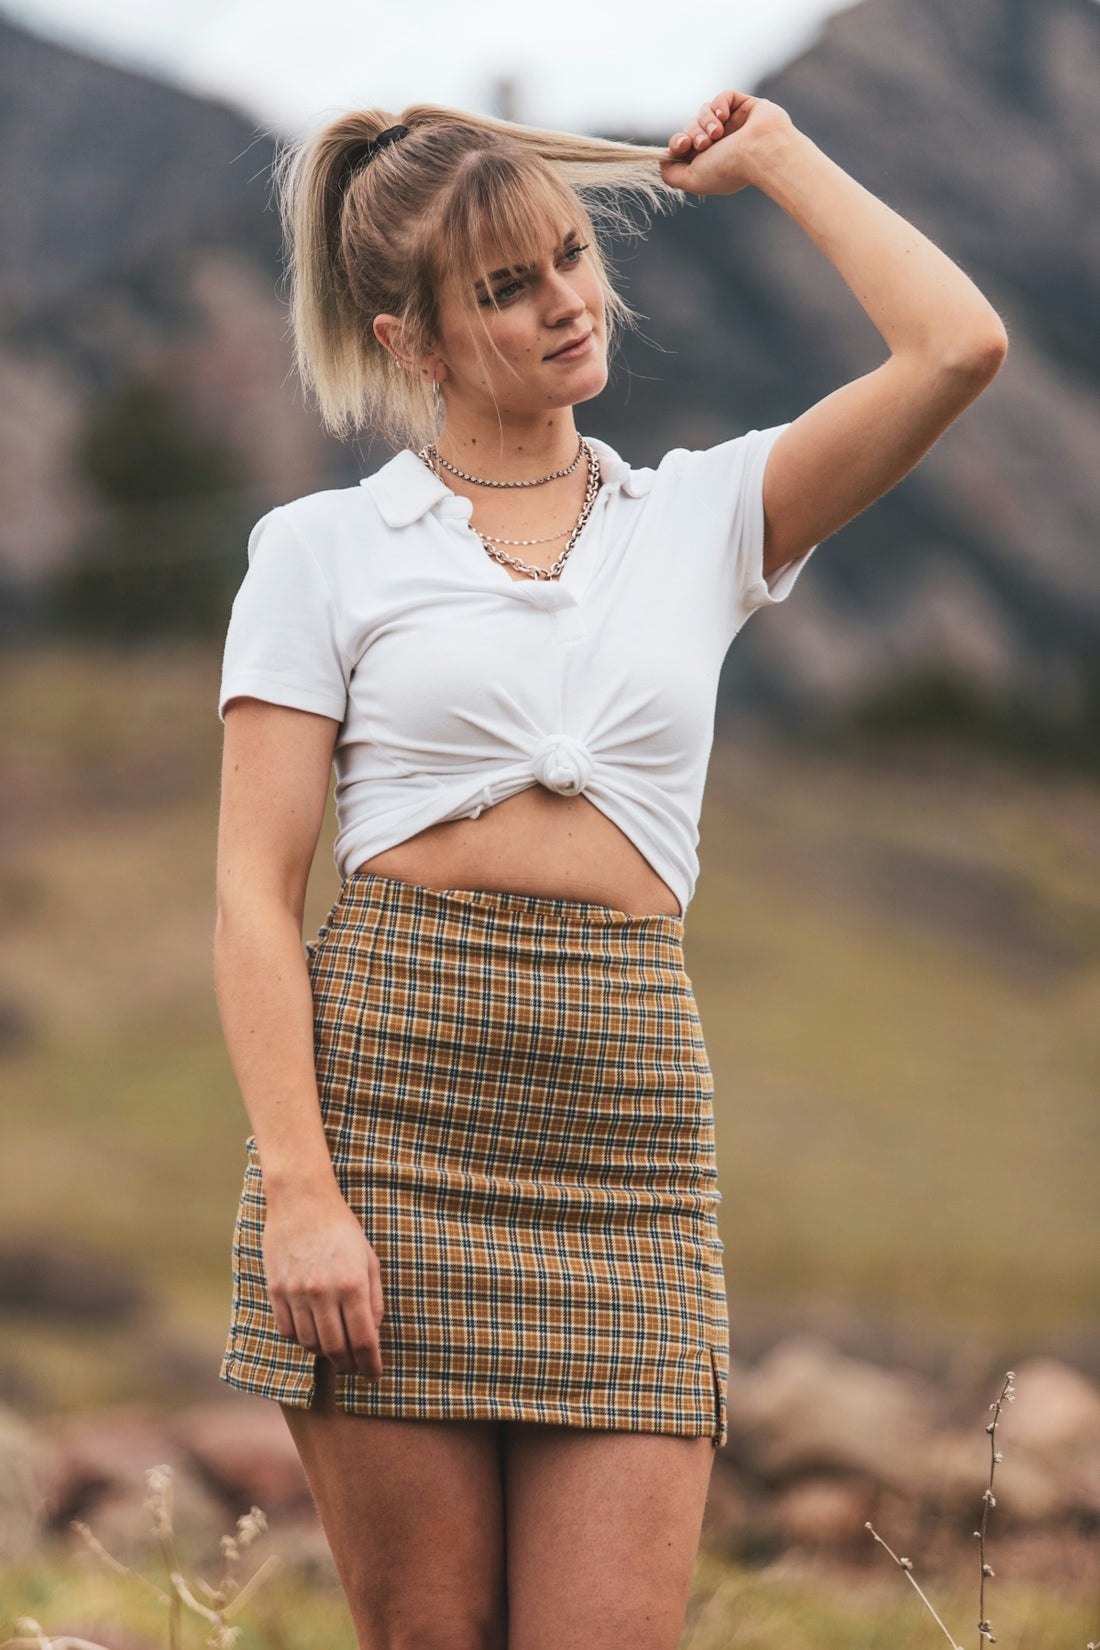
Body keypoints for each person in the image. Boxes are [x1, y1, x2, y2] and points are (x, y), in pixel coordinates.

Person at [213, 89, 1007, 1650]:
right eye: (506, 286)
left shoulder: (703, 517)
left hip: (628, 1152)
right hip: (386, 1137)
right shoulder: (320, 552)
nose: (568, 299)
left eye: (569, 255)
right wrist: (304, 1191)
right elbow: (253, 889)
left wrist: (779, 156)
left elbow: (958, 350)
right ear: (410, 339)